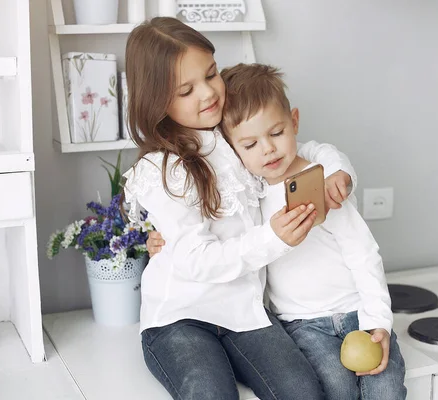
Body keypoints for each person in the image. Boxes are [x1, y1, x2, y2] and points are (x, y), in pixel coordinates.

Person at [122, 18, 357, 400]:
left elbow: (309, 149)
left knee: (303, 392)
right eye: (186, 90)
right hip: (182, 318)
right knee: (210, 393)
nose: (208, 93)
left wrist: (336, 170)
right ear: (158, 101)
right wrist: (273, 238)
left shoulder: (234, 133)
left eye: (211, 74)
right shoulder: (162, 169)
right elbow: (196, 260)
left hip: (245, 314)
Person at [148, 63, 407, 400]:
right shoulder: (247, 193)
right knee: (335, 389)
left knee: (386, 389)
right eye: (250, 143)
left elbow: (364, 254)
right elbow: (214, 235)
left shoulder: (321, 184)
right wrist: (161, 241)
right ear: (232, 150)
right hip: (300, 325)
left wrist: (378, 321)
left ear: (294, 122)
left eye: (276, 133)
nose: (267, 149)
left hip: (358, 311)